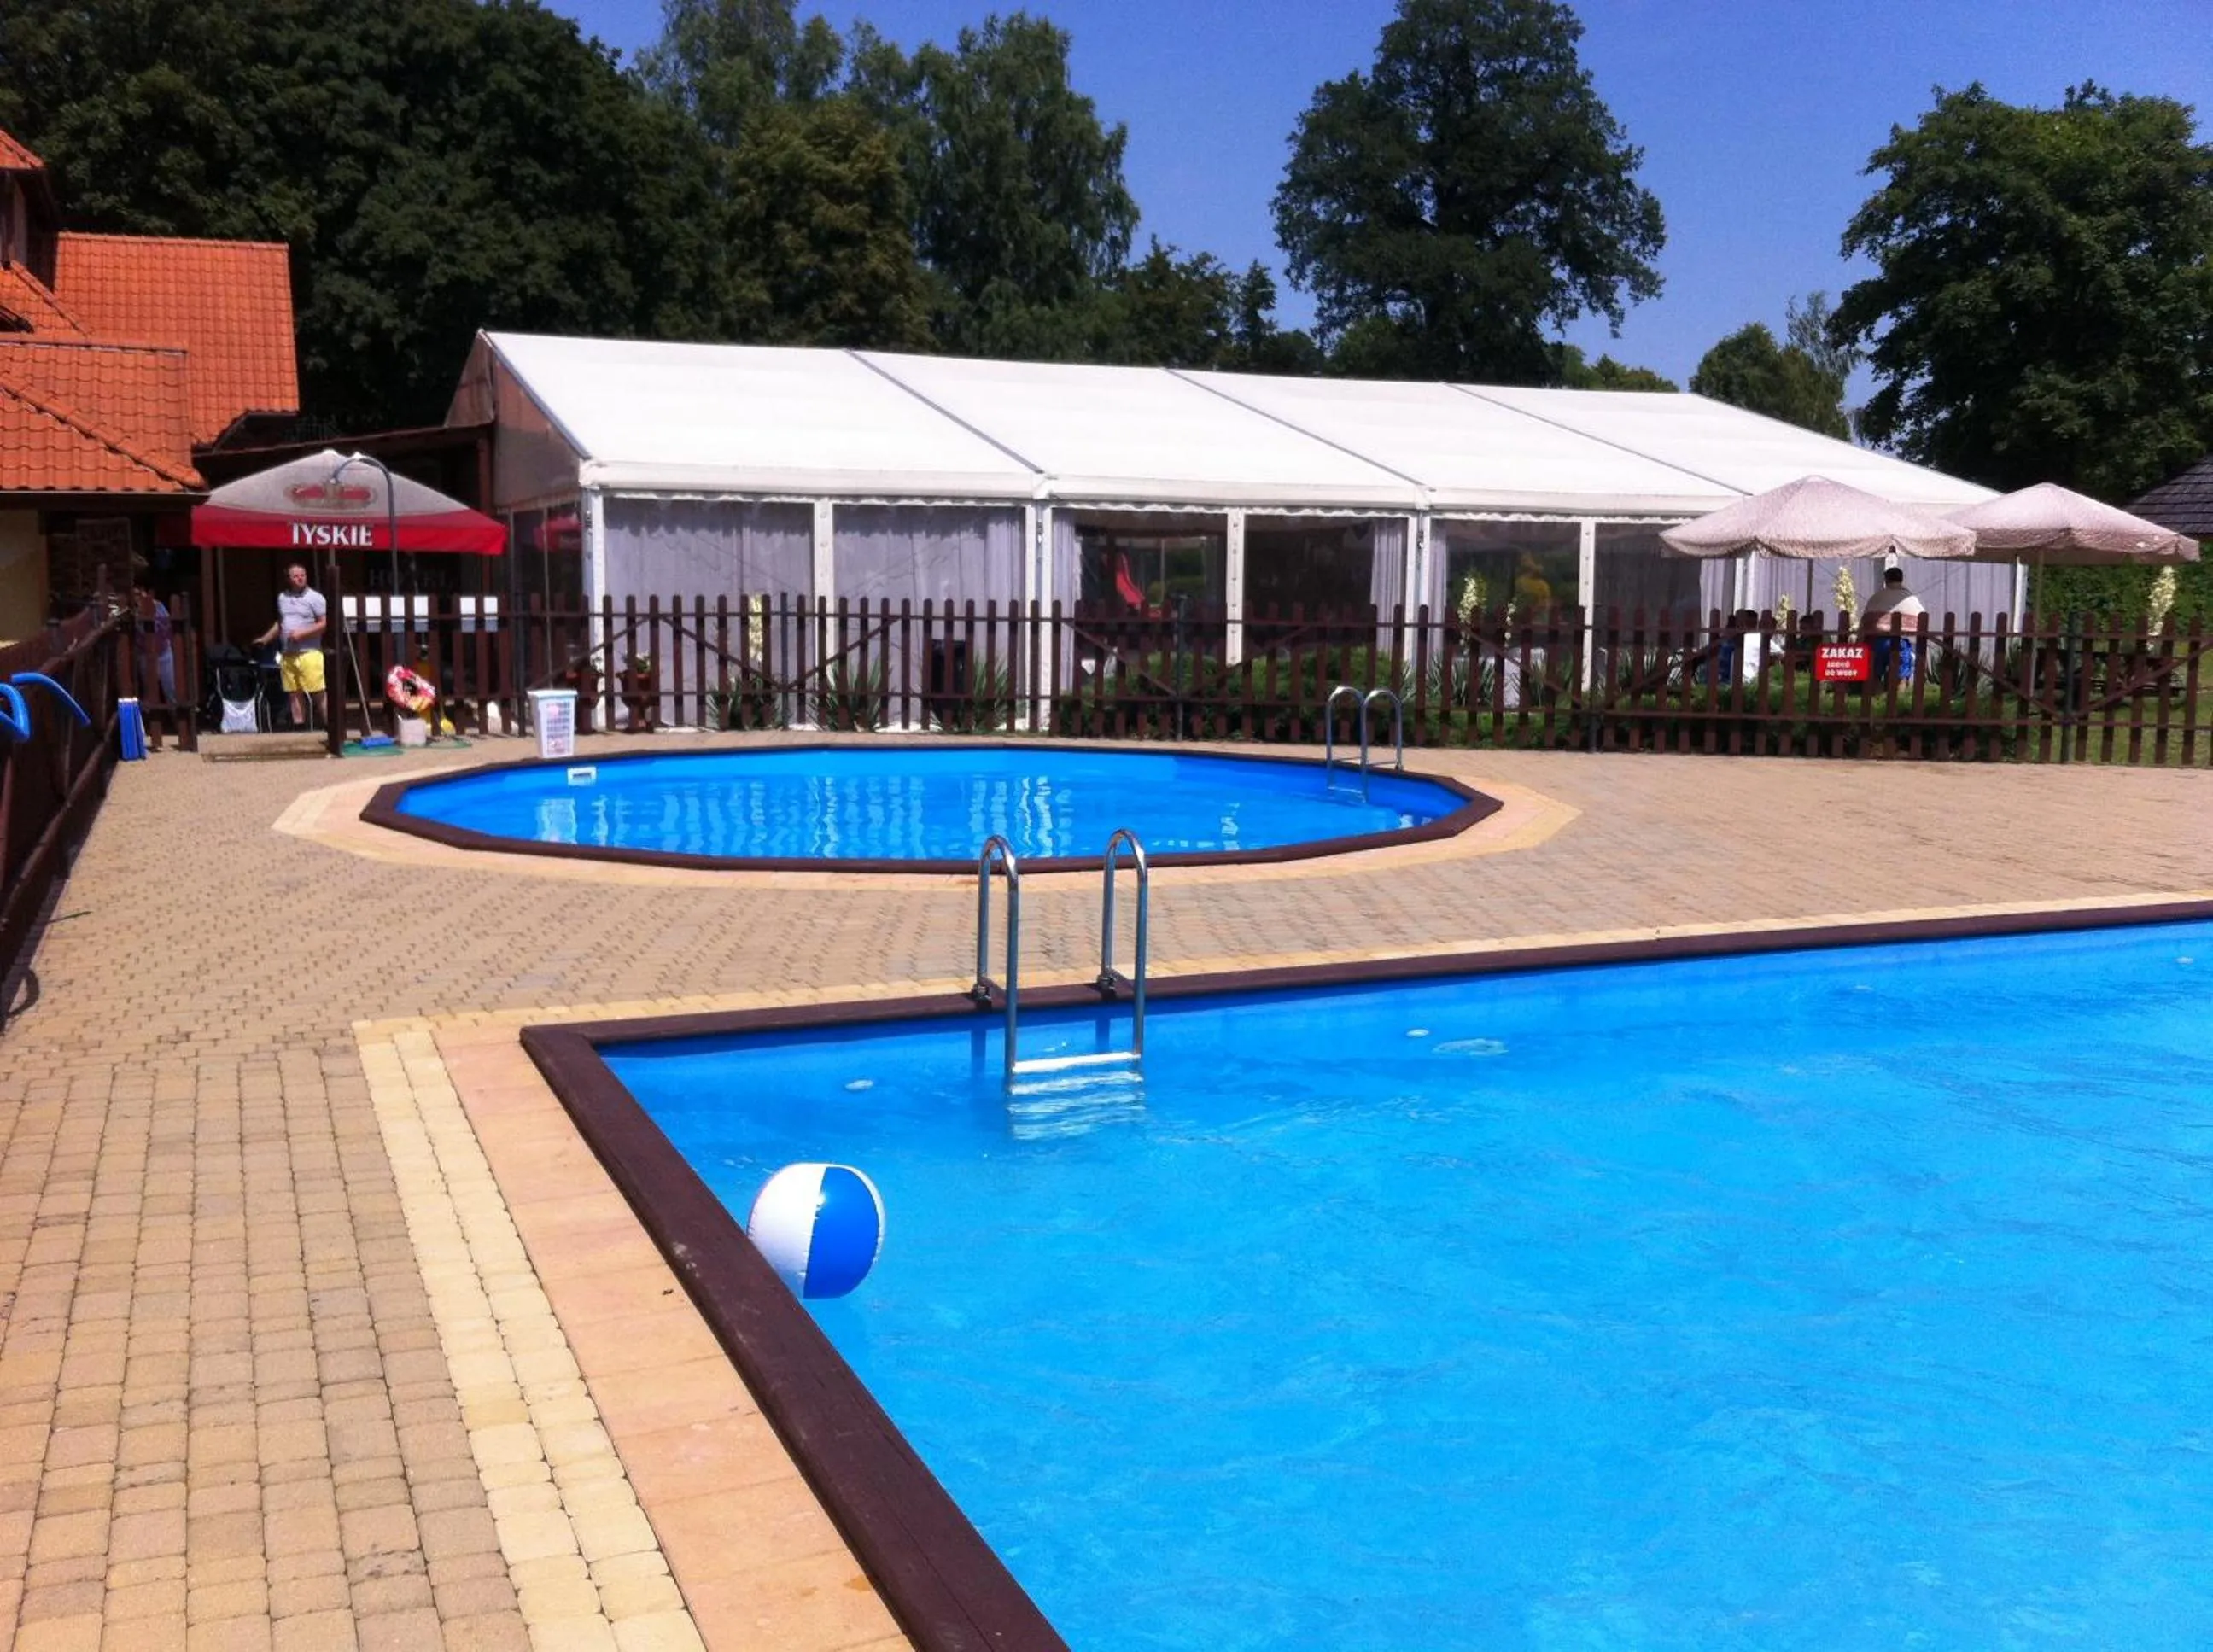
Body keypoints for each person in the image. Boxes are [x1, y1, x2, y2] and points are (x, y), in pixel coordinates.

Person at [256, 563, 326, 727]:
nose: (300, 578)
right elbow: (281, 623)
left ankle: (329, 723)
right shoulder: (282, 598)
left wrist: (303, 634)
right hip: (288, 652)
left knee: (317, 691)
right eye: (296, 576)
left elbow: (324, 624)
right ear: (288, 579)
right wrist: (265, 639)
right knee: (293, 692)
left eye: (302, 575)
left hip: (309, 652)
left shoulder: (316, 598)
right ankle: (299, 725)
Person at [1860, 563, 1926, 683]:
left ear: (1886, 580)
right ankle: (1899, 700)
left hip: (1877, 641)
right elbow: (1921, 620)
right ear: (1901, 579)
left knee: (1875, 675)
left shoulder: (1877, 597)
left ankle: (1876, 698)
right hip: (1901, 642)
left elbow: (1866, 620)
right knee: (1900, 676)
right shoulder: (1910, 598)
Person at [131, 583, 175, 705]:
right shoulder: (132, 612)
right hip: (145, 654)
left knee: (171, 688)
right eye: (134, 595)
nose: (137, 597)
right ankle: (152, 721)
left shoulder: (159, 606)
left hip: (163, 652)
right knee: (150, 691)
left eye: (139, 594)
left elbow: (167, 626)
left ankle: (175, 718)